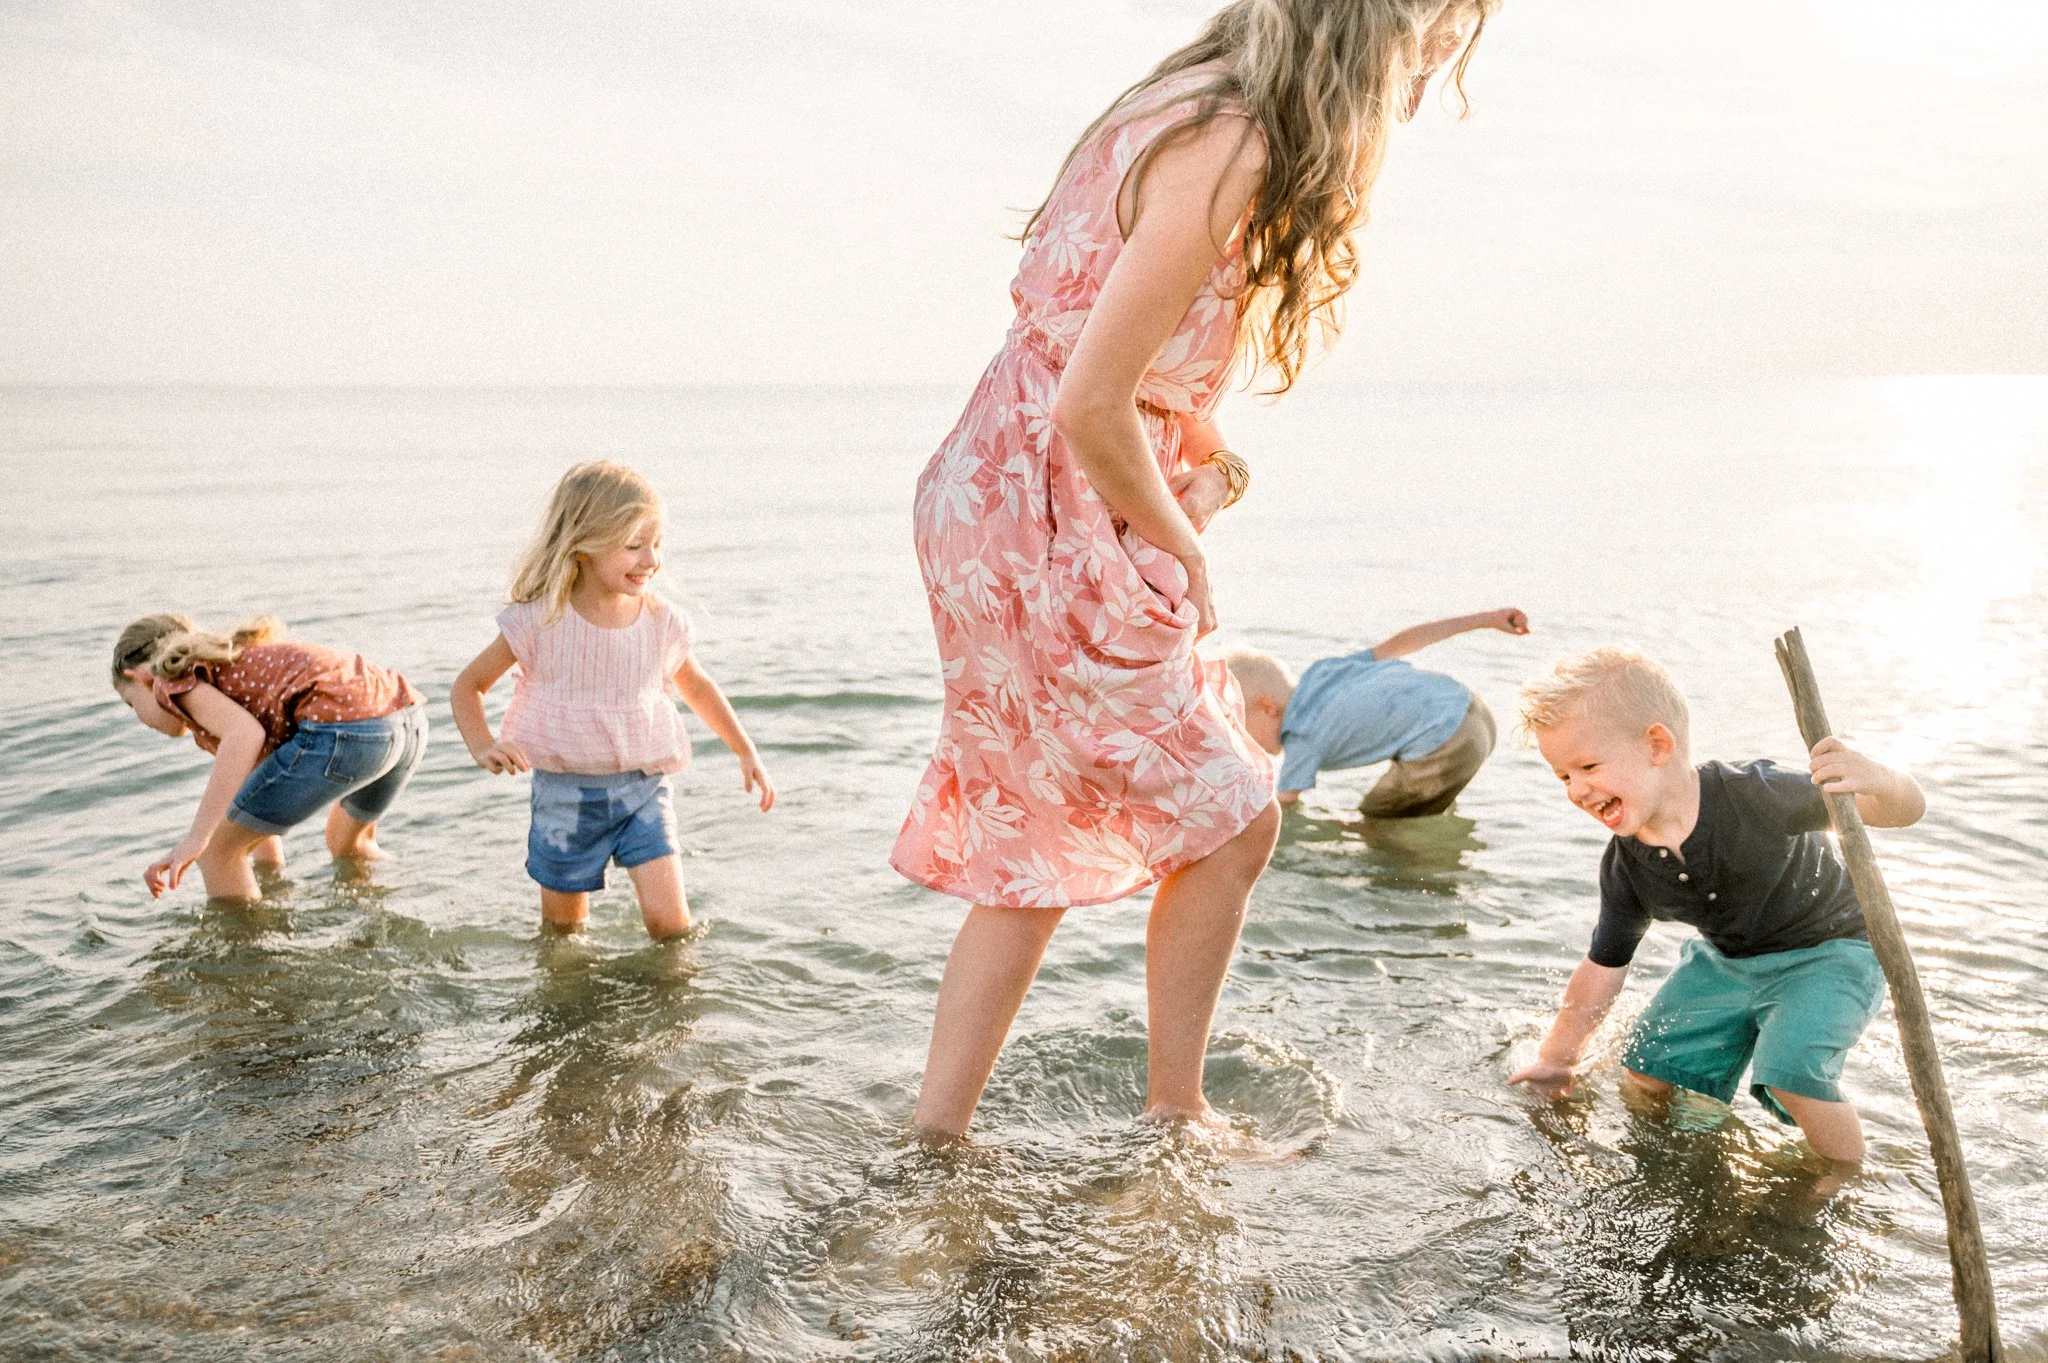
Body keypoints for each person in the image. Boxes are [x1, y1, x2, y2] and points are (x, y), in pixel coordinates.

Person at [892, 0, 1503, 1136]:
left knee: (1030, 829)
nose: (1444, 63)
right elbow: (1089, 399)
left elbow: (1088, 352)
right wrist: (1177, 536)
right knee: (1234, 814)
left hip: (995, 489)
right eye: (1445, 31)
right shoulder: (1236, 139)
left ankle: (937, 1136)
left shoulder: (1178, 104)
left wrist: (1193, 443)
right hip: (1051, 508)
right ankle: (1175, 1113)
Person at [1508, 648, 1926, 1170]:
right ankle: (1688, 1151)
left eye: (1588, 766)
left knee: (1790, 1072)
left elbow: (1901, 810)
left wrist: (1880, 779)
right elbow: (1603, 968)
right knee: (1647, 1068)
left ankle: (1841, 1177)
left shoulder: (1755, 795)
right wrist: (1556, 1060)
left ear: (1658, 745)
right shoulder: (1627, 865)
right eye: (1562, 776)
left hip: (1832, 951)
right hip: (1728, 961)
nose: (1577, 790)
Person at [450, 461, 774, 941]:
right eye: (633, 545)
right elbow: (468, 686)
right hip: (563, 797)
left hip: (643, 790)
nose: (651, 560)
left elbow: (698, 687)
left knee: (671, 927)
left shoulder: (660, 621)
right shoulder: (540, 621)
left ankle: (675, 1010)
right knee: (564, 934)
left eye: (657, 543)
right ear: (583, 545)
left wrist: (745, 750)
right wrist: (483, 745)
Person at [112, 613, 428, 901]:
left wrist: (196, 839)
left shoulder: (171, 681)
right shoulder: (231, 672)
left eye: (131, 704)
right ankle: (413, 896)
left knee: (216, 853)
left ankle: (251, 958)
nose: (140, 717)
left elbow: (244, 735)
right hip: (404, 718)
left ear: (141, 678)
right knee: (349, 845)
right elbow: (254, 805)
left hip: (346, 729)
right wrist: (273, 885)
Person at [1226, 607, 1528, 815]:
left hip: (1445, 741)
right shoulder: (1326, 672)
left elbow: (1283, 808)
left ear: (1266, 707)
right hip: (1475, 712)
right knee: (1418, 807)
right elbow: (1406, 641)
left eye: (1240, 730)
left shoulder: (1302, 737)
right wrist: (1486, 619)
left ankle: (1420, 884)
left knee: (1376, 818)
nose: (1245, 744)